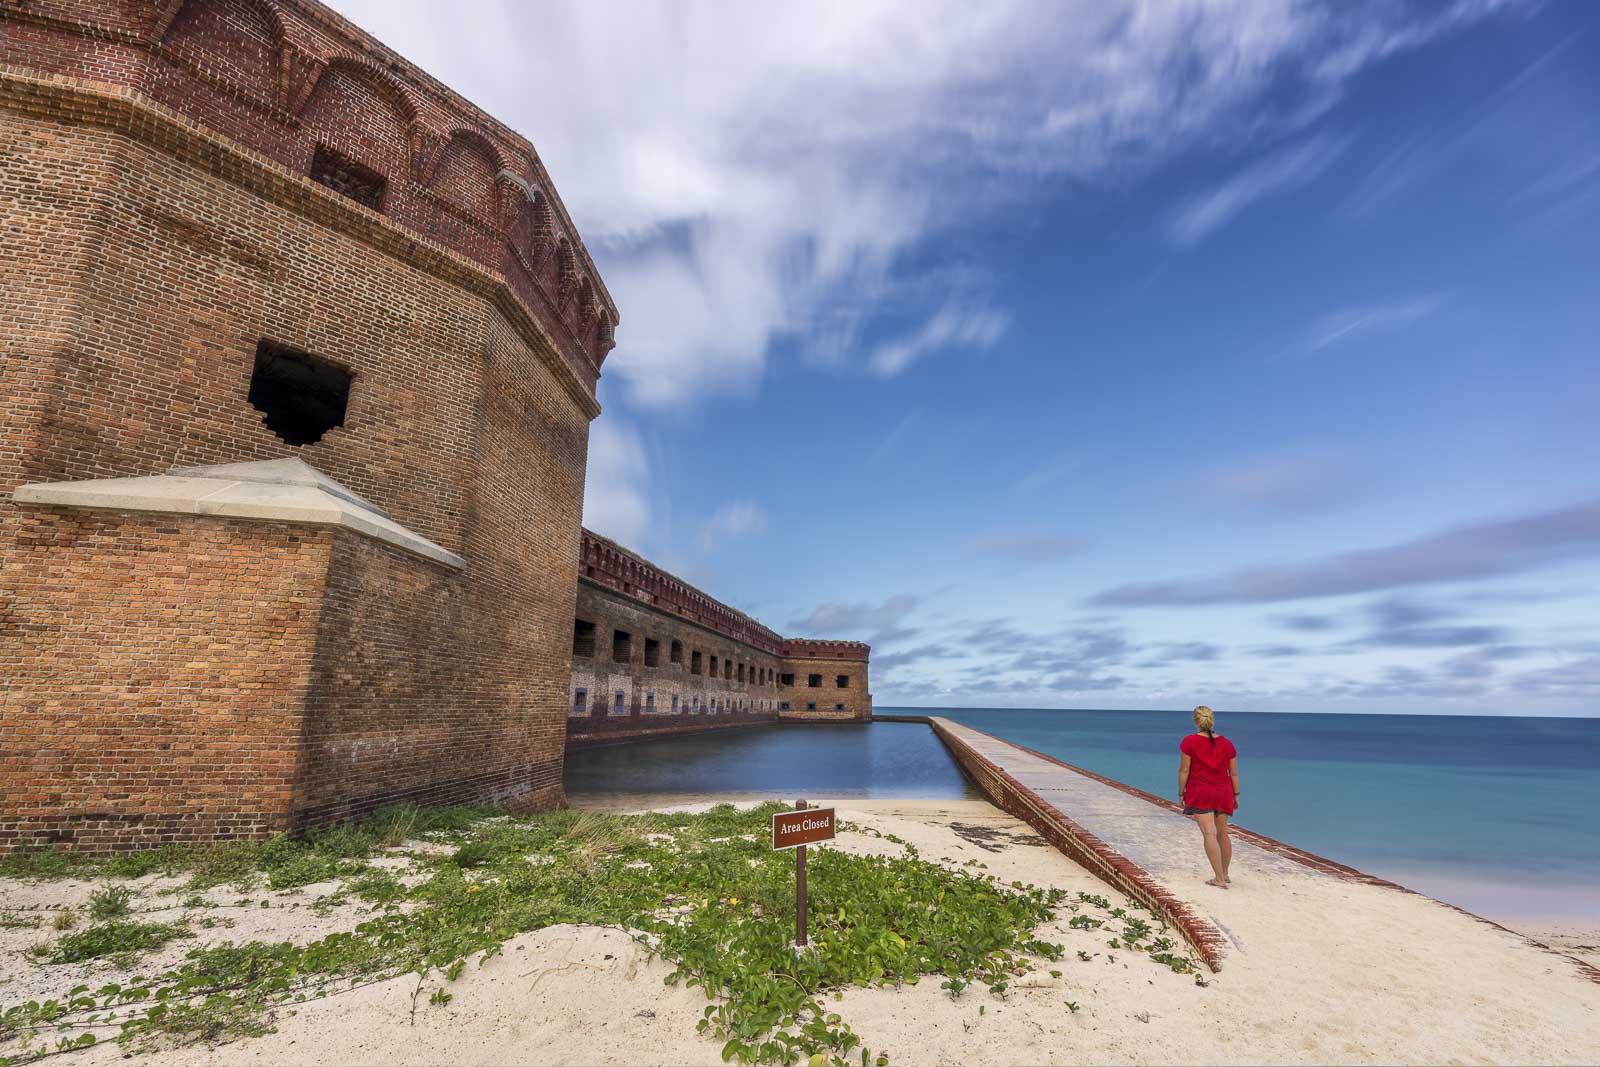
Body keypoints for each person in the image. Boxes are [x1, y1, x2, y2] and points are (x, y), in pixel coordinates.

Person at [1178, 705, 1239, 888]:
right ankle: (1225, 874)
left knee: (1209, 833)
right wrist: (1236, 794)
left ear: (1196, 721)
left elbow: (1184, 770)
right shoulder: (1227, 743)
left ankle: (1219, 879)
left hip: (1201, 792)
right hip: (1223, 792)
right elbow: (1233, 773)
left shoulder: (1189, 742)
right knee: (1222, 833)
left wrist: (1181, 792)